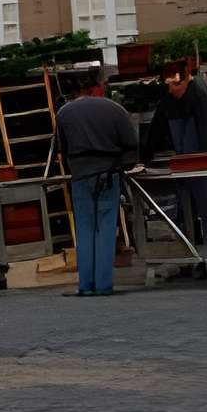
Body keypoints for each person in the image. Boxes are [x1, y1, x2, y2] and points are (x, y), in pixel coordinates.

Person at [53, 67, 142, 298]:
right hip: (108, 173)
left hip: (81, 176)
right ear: (96, 87)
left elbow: (62, 148)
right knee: (105, 229)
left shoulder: (64, 113)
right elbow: (131, 144)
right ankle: (103, 284)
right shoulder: (114, 109)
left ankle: (86, 285)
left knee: (84, 229)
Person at [145, 64, 207, 249]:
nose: (171, 90)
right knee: (185, 212)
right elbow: (156, 130)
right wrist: (143, 158)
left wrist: (205, 160)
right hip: (183, 166)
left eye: (174, 86)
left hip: (203, 165)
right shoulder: (168, 101)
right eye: (168, 86)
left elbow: (206, 132)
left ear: (184, 81)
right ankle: (190, 253)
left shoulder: (198, 97)